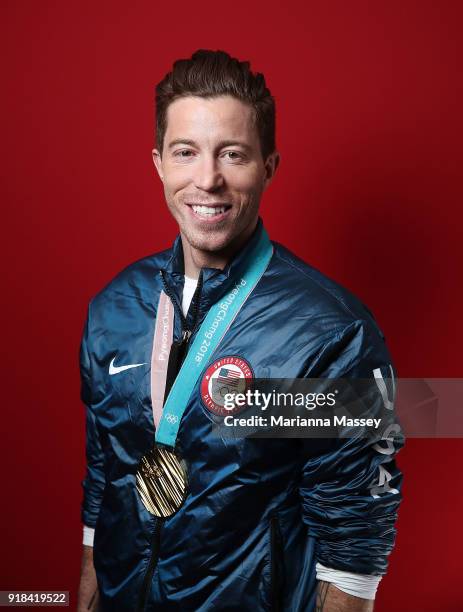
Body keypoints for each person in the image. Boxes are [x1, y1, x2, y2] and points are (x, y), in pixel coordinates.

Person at [77, 49, 403, 612]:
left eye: (233, 154)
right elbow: (107, 469)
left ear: (269, 166)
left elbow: (355, 532)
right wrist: (87, 588)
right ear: (159, 163)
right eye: (186, 153)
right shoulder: (115, 309)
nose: (207, 180)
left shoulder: (329, 332)